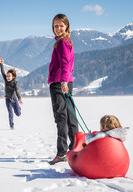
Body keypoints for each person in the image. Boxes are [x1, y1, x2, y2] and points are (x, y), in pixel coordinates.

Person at [48, 14, 78, 165]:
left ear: (66, 26)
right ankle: (76, 149)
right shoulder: (67, 41)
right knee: (70, 116)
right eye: (55, 26)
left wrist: (63, 81)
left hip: (60, 83)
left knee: (61, 118)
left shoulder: (62, 42)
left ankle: (61, 153)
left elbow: (65, 63)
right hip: (65, 82)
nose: (58, 28)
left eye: (60, 25)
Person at [0, 58, 23, 129]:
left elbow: (17, 91)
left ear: (13, 77)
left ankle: (18, 107)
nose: (7, 77)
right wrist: (1, 64)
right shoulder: (6, 80)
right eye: (7, 76)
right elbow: (2, 72)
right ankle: (11, 125)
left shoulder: (15, 82)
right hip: (7, 99)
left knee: (18, 114)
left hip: (14, 98)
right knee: (10, 112)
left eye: (9, 76)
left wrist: (19, 99)